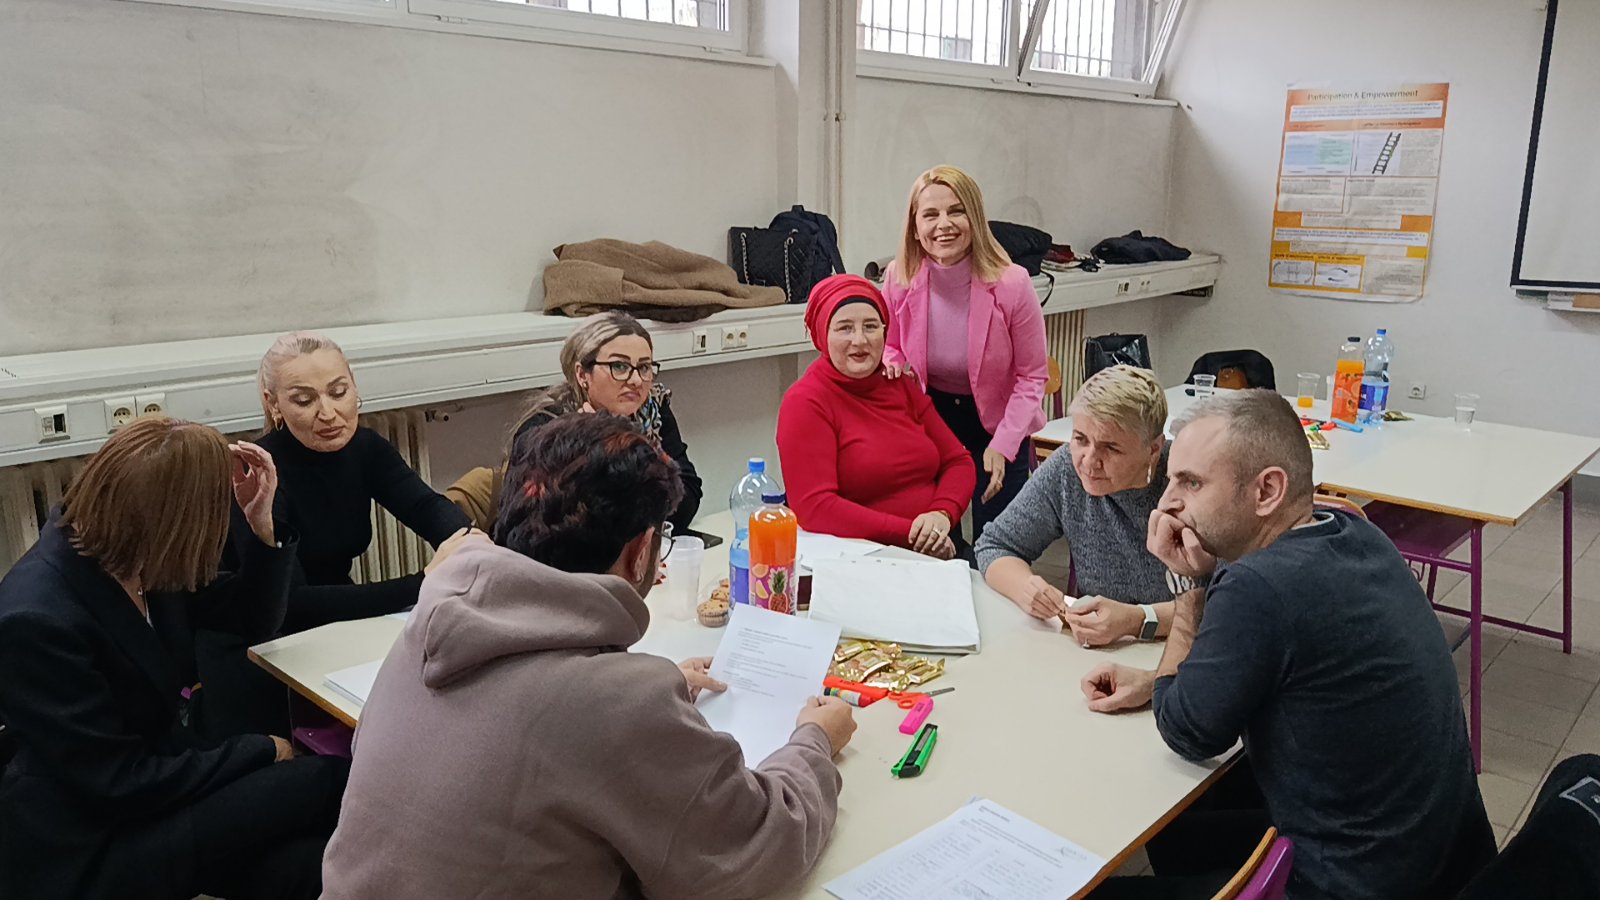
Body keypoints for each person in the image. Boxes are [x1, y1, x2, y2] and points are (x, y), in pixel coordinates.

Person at [321, 414, 856, 899]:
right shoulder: (617, 703)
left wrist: (648, 692)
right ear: (641, 551)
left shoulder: (429, 625)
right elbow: (753, 849)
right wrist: (813, 742)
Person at [1080, 390, 1493, 899]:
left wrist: (1187, 588)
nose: (1167, 503)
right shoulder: (1354, 532)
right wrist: (1157, 680)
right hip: (1441, 858)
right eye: (1171, 480)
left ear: (1267, 490)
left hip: (1353, 881)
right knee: (1177, 832)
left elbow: (1186, 732)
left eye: (1191, 482)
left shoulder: (1259, 587)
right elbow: (1267, 661)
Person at [0, 417, 348, 900]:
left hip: (158, 785)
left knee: (306, 866)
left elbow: (252, 620)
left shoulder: (131, 557)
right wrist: (259, 750)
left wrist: (261, 528)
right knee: (327, 779)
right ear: (172, 520)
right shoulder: (37, 619)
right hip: (97, 841)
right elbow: (117, 782)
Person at [882, 164, 1048, 544]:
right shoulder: (898, 276)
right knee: (939, 541)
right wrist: (893, 365)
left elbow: (1032, 376)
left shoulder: (1012, 283)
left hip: (1000, 423)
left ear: (975, 218)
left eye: (956, 211)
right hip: (933, 419)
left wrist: (1004, 444)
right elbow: (890, 344)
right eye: (930, 214)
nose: (944, 224)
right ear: (915, 227)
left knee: (999, 539)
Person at [978, 365, 1190, 647]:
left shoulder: (1191, 483)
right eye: (1080, 439)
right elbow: (995, 545)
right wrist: (1026, 588)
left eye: (1111, 448)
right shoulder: (1067, 469)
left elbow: (1229, 602)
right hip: (1101, 648)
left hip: (1186, 648)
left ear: (1153, 449)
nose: (1089, 461)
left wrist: (1138, 619)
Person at [446, 311, 703, 534]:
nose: (636, 380)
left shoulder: (652, 411)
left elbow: (687, 500)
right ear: (582, 374)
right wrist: (600, 450)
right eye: (619, 366)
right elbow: (560, 526)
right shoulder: (545, 428)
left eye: (644, 367)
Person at [777, 274, 976, 560]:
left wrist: (941, 513)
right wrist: (913, 534)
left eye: (870, 326)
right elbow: (815, 508)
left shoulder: (900, 385)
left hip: (938, 540)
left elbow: (958, 461)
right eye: (845, 328)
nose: (860, 340)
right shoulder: (806, 402)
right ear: (822, 334)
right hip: (865, 557)